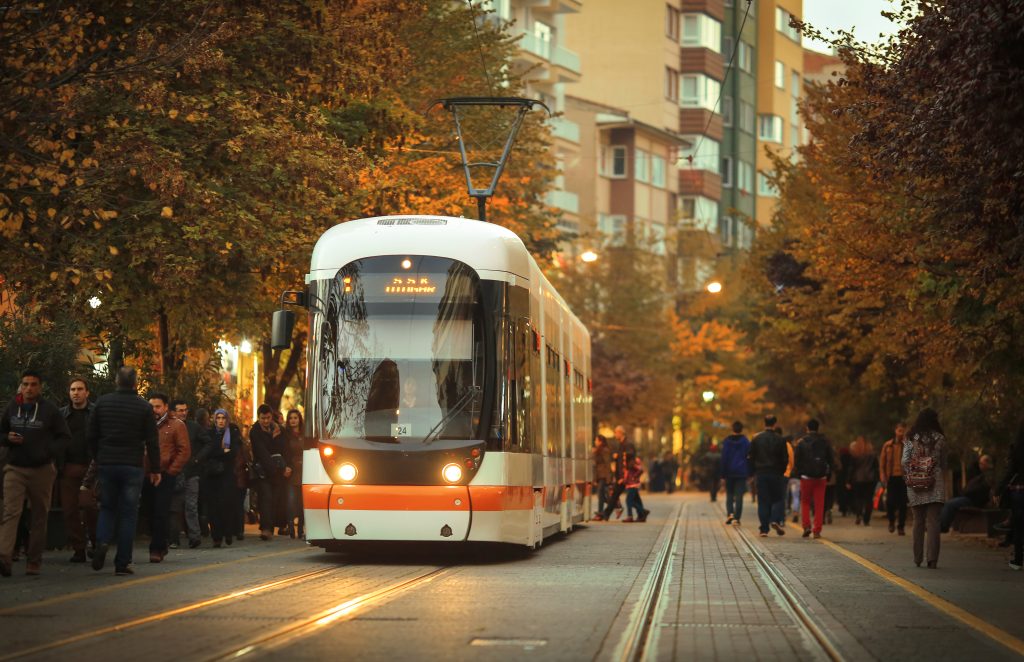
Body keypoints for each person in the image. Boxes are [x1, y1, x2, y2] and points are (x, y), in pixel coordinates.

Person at [88, 366, 160, 575]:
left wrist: (98, 456)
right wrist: (155, 468)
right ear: (135, 383)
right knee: (128, 514)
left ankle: (101, 542)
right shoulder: (143, 407)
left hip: (107, 463)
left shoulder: (102, 403)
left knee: (107, 507)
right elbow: (152, 440)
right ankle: (122, 562)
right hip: (132, 465)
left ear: (116, 381)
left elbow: (91, 434)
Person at [0, 370, 71, 577]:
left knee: (39, 515)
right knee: (10, 512)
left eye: (33, 384)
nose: (29, 388)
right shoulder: (12, 408)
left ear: (40, 387)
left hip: (42, 469)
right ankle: (4, 558)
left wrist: (47, 451)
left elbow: (64, 437)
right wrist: (7, 438)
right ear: (21, 386)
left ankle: (34, 560)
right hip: (15, 468)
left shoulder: (50, 410)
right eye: (25, 384)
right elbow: (1, 432)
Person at [144, 393, 190, 563]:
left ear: (165, 407)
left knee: (161, 511)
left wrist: (171, 471)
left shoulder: (176, 425)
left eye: (157, 406)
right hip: (146, 473)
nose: (154, 410)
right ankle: (161, 542)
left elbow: (184, 451)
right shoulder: (144, 423)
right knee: (149, 510)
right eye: (151, 406)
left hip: (165, 474)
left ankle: (156, 548)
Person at [902, 408, 947, 569]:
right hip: (935, 483)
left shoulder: (910, 437)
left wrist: (914, 470)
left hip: (915, 483)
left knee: (918, 521)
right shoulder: (940, 438)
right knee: (934, 522)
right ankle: (932, 560)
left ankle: (917, 558)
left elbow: (904, 461)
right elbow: (943, 464)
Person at [59, 377, 95, 562]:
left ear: (87, 392)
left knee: (91, 508)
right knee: (69, 510)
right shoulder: (62, 415)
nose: (76, 392)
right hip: (68, 467)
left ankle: (96, 544)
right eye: (73, 389)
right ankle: (79, 548)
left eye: (80, 389)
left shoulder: (95, 412)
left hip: (92, 467)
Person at [249, 404, 292, 540]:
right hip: (264, 471)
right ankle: (266, 528)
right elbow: (261, 453)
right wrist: (276, 469)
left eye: (268, 418)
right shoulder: (255, 431)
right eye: (263, 418)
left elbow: (287, 449)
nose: (266, 421)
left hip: (279, 470)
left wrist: (288, 466)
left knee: (278, 499)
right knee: (265, 498)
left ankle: (279, 525)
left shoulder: (280, 430)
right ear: (259, 418)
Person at [172, 400, 208, 548]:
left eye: (185, 410)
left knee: (191, 505)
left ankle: (194, 536)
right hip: (174, 472)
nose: (183, 413)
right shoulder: (169, 426)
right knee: (174, 507)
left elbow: (208, 442)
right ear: (173, 412)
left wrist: (198, 458)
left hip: (191, 473)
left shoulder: (194, 427)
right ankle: (173, 539)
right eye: (180, 410)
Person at [207, 409, 242, 547]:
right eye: (218, 418)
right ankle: (216, 536)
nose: (221, 421)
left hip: (227, 475)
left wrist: (219, 452)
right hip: (212, 475)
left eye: (223, 418)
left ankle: (227, 533)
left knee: (226, 505)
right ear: (214, 420)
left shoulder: (232, 432)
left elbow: (233, 452)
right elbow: (209, 451)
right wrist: (222, 451)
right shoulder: (210, 433)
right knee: (213, 507)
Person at [794, 419, 835, 539]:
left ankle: (806, 526)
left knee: (805, 502)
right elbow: (831, 460)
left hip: (806, 477)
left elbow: (797, 461)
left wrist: (799, 473)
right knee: (819, 503)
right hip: (821, 477)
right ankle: (817, 530)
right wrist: (828, 474)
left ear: (807, 428)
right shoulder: (825, 442)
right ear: (818, 428)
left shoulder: (801, 442)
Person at [749, 415, 789, 537]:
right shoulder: (781, 440)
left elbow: (751, 457)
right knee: (777, 498)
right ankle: (775, 520)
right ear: (775, 424)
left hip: (761, 473)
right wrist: (781, 471)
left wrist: (753, 471)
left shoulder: (757, 439)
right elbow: (785, 459)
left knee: (763, 501)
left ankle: (764, 529)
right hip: (776, 473)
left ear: (764, 423)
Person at [939, 455, 993, 533]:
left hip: (974, 501)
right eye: (980, 463)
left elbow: (981, 491)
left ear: (987, 464)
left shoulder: (987, 476)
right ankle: (942, 525)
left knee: (950, 504)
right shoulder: (979, 474)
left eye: (982, 463)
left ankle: (943, 527)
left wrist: (968, 491)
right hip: (970, 498)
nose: (980, 465)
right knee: (949, 503)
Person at [996, 422, 1024, 570]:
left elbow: (1010, 471)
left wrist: (999, 489)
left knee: (1019, 527)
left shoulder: (1017, 448)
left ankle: (1018, 561)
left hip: (1019, 491)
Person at [879, 423, 909, 535]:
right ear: (895, 431)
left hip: (903, 478)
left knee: (903, 503)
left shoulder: (907, 445)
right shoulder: (887, 445)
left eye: (903, 431)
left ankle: (901, 526)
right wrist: (882, 476)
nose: (901, 433)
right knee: (890, 502)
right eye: (899, 430)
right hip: (891, 477)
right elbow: (882, 463)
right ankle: (891, 521)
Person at [720, 421, 751, 526]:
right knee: (739, 496)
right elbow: (749, 457)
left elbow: (724, 458)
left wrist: (723, 474)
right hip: (741, 472)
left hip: (729, 472)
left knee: (729, 494)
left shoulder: (727, 441)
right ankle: (737, 518)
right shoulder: (745, 441)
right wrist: (749, 472)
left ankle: (730, 514)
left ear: (732, 429)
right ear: (741, 429)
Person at [848, 435, 878, 525]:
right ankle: (866, 519)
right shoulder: (872, 454)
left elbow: (851, 468)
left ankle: (858, 515)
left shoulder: (855, 454)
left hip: (858, 479)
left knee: (858, 499)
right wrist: (877, 478)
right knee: (869, 499)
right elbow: (876, 467)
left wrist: (848, 480)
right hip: (870, 479)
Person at [284, 409, 304, 538]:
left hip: (305, 470)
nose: (293, 420)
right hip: (291, 471)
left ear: (299, 419)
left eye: (295, 417)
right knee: (291, 501)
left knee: (303, 502)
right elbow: (284, 452)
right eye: (290, 418)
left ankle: (301, 529)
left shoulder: (305, 434)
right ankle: (291, 527)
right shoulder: (285, 435)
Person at [592, 435, 612, 517]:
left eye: (596, 440)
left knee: (600, 493)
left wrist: (608, 477)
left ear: (601, 441)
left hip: (603, 474)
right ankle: (613, 504)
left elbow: (607, 464)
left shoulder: (605, 450)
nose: (595, 442)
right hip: (599, 475)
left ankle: (600, 512)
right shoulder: (597, 450)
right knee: (600, 493)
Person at [623, 453, 645, 522]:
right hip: (630, 484)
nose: (623, 457)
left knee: (629, 501)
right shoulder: (628, 463)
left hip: (632, 485)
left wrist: (634, 477)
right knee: (635, 501)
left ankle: (634, 514)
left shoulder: (632, 463)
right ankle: (641, 513)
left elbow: (641, 470)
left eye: (624, 455)